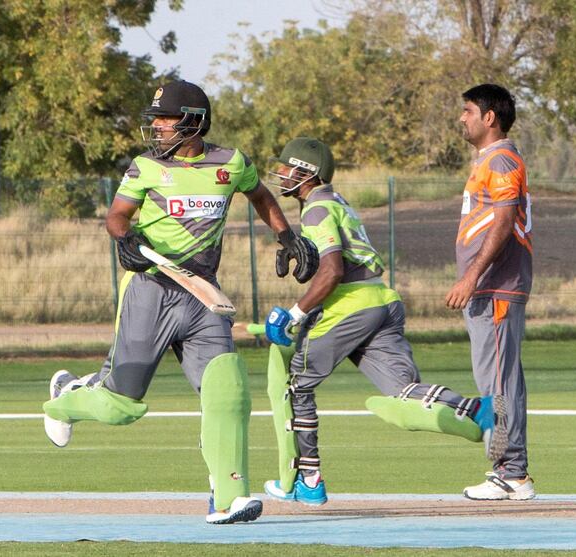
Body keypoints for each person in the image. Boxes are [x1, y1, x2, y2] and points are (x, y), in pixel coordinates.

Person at [41, 80, 319, 524]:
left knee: (225, 390)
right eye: (157, 120)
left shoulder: (231, 163)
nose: (159, 127)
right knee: (119, 406)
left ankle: (229, 496)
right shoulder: (145, 167)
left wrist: (286, 235)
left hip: (203, 294)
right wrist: (125, 237)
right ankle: (66, 397)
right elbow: (116, 215)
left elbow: (261, 195)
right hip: (151, 290)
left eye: (167, 119)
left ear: (194, 121)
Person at [261, 137, 507, 506]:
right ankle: (478, 409)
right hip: (382, 300)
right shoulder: (335, 200)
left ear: (307, 172)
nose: (280, 174)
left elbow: (331, 272)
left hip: (350, 305)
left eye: (286, 167)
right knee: (403, 390)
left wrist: (294, 313)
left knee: (296, 386)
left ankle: (308, 479)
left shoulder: (315, 209)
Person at [445, 83, 534, 500]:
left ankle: (510, 470)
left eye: (467, 110)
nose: (462, 117)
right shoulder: (490, 160)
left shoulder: (500, 159)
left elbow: (503, 221)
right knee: (499, 379)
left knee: (497, 383)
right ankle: (512, 470)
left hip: (495, 287)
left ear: (489, 117)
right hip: (492, 288)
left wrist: (471, 277)